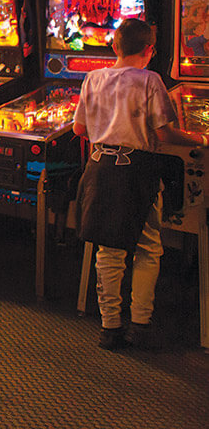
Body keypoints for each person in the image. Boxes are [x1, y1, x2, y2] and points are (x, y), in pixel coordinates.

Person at [72, 18, 205, 350]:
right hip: (136, 170)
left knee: (109, 248)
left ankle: (109, 327)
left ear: (114, 47)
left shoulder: (92, 78)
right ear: (150, 50)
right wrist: (199, 137)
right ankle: (140, 323)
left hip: (100, 167)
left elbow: (78, 129)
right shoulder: (150, 80)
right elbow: (164, 133)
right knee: (147, 246)